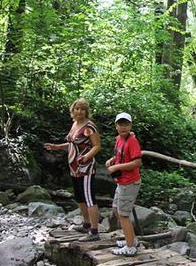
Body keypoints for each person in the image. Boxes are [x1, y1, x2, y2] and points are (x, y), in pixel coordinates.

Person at [44, 98, 102, 241]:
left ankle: (94, 232)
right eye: (77, 108)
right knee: (79, 198)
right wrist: (57, 147)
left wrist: (87, 156)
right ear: (73, 110)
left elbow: (97, 146)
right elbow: (71, 144)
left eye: (82, 109)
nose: (79, 111)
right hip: (74, 168)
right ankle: (87, 224)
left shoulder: (90, 126)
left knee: (89, 198)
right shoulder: (75, 124)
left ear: (86, 111)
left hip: (86, 168)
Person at [107, 112, 143, 256]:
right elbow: (120, 155)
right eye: (120, 124)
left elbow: (137, 162)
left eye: (126, 124)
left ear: (130, 126)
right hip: (122, 182)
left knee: (123, 215)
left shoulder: (132, 141)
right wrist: (112, 161)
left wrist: (116, 167)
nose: (123, 127)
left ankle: (130, 247)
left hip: (130, 183)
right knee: (116, 209)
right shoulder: (119, 139)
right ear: (116, 126)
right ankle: (132, 240)